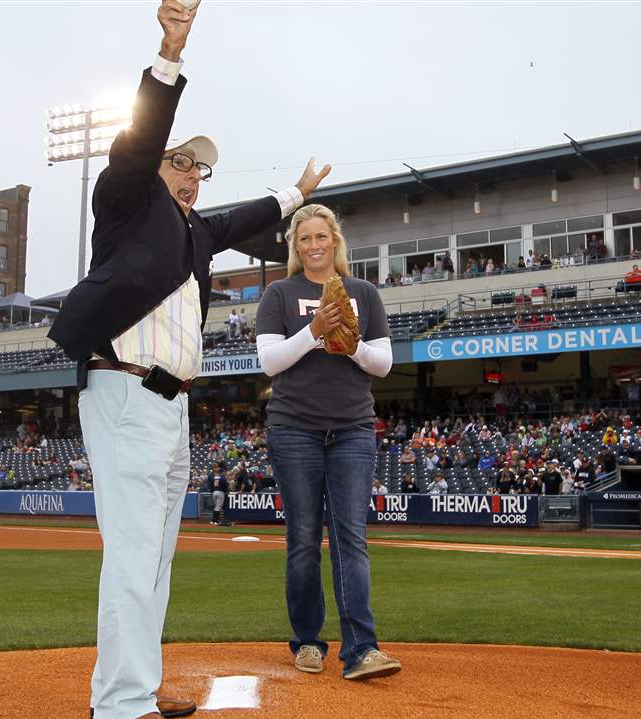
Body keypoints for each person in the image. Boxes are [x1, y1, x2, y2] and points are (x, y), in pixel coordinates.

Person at [46, 5, 332, 717]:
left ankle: (131, 688)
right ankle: (120, 703)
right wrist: (168, 56)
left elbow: (244, 218)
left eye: (201, 169)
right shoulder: (123, 203)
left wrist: (297, 193)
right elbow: (138, 145)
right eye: (182, 161)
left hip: (171, 406)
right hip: (126, 390)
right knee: (136, 555)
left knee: (155, 558)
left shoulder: (195, 232)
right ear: (156, 165)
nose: (194, 175)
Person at [255, 203, 400, 681]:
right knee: (302, 540)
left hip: (354, 427)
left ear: (335, 241)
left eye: (322, 237)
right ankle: (308, 641)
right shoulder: (279, 292)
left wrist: (349, 343)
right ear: (296, 247)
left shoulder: (364, 292)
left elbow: (383, 363)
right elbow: (270, 362)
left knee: (351, 540)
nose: (314, 246)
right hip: (294, 427)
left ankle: (362, 648)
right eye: (305, 239)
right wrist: (315, 331)